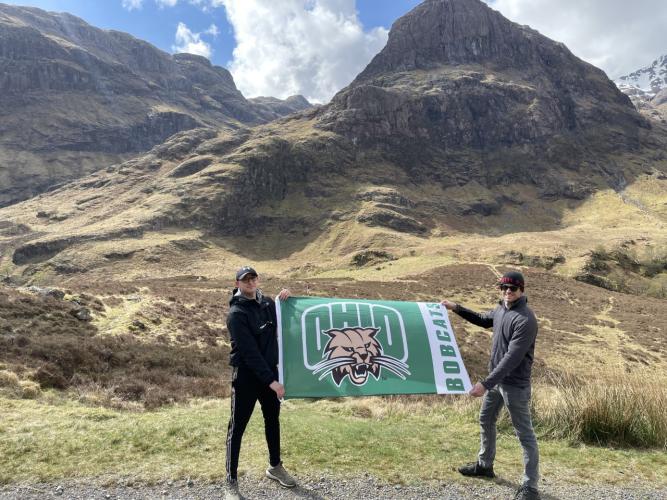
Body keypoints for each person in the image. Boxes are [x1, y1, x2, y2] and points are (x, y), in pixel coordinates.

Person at [441, 271, 540, 500]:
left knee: (524, 434)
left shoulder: (525, 319)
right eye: (503, 288)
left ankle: (530, 487)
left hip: (514, 385)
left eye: (512, 288)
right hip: (496, 383)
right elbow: (482, 319)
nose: (507, 292)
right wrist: (456, 307)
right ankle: (485, 465)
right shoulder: (501, 310)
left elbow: (512, 358)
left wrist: (485, 384)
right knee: (486, 419)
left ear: (522, 290)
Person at [224, 266, 296, 500]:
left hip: (269, 376)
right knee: (238, 427)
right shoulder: (236, 314)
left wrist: (285, 301)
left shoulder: (268, 303)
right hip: (246, 377)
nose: (250, 283)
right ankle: (230, 480)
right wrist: (273, 383)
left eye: (253, 278)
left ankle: (275, 467)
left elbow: (284, 326)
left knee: (272, 420)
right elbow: (250, 353)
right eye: (245, 280)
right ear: (237, 284)